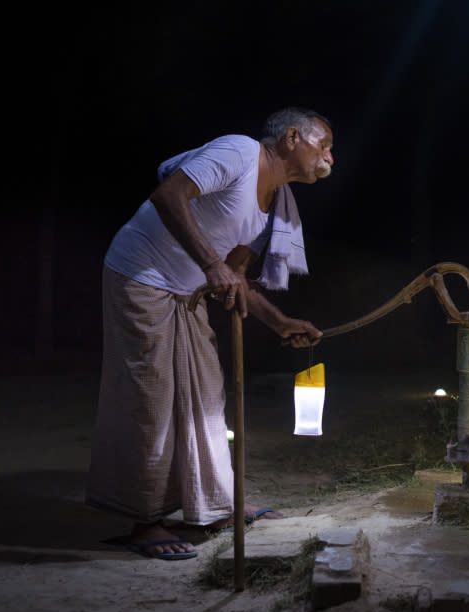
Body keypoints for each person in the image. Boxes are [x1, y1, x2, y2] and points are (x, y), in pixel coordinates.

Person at [85, 107, 333, 559]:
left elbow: (233, 278)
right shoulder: (239, 152)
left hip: (186, 293)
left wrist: (280, 322)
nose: (329, 156)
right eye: (325, 144)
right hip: (140, 277)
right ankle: (146, 521)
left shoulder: (272, 203)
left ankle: (217, 505)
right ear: (293, 138)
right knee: (153, 397)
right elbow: (169, 195)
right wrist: (210, 264)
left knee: (207, 395)